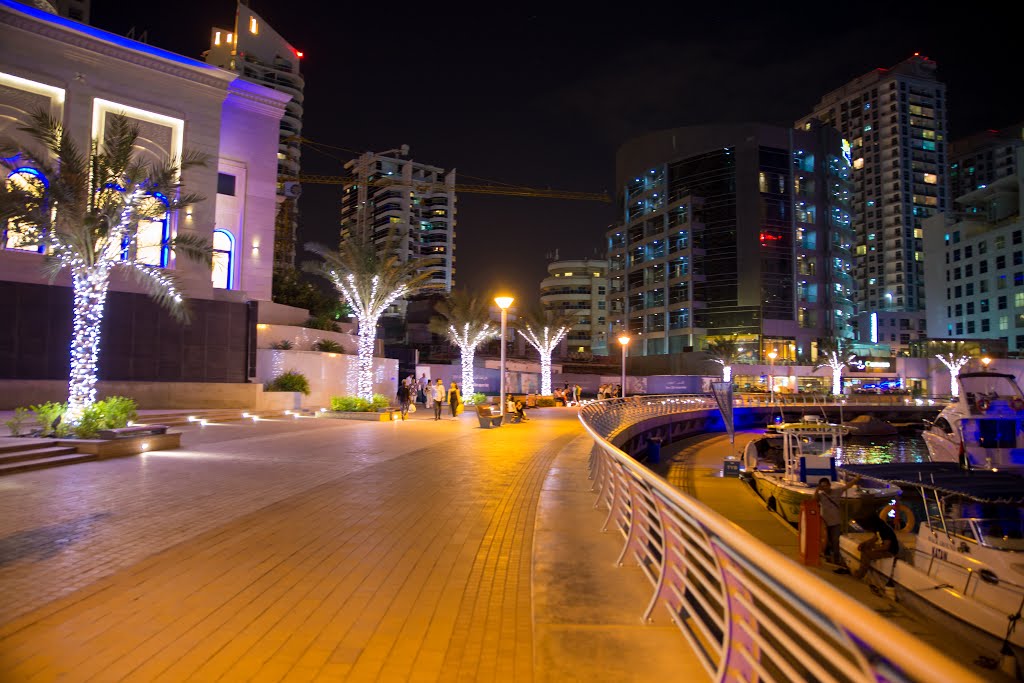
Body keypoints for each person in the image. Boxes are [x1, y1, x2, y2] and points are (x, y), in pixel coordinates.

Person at [814, 473, 861, 573]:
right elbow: (814, 500)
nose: (824, 487)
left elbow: (847, 486)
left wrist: (856, 479)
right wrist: (817, 490)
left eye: (825, 485)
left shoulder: (837, 491)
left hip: (835, 522)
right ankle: (828, 556)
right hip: (825, 523)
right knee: (826, 541)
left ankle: (836, 560)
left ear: (829, 485)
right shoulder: (821, 496)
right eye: (822, 486)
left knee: (835, 542)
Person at [853, 515, 900, 579]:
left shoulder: (885, 530)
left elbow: (886, 547)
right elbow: (875, 538)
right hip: (883, 546)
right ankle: (862, 568)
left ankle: (860, 574)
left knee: (866, 554)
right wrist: (864, 544)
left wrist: (873, 549)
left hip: (890, 551)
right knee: (864, 548)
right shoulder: (878, 528)